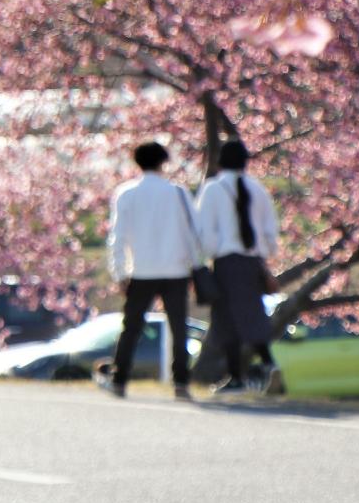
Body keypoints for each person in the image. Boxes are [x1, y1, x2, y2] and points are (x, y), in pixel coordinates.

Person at [102, 140, 200, 400]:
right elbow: (193, 234)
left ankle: (119, 378)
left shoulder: (127, 193)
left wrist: (120, 273)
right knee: (179, 328)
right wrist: (195, 265)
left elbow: (118, 237)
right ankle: (181, 382)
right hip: (175, 270)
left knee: (131, 328)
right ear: (163, 161)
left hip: (142, 270)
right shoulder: (178, 193)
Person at [196, 140, 281, 393]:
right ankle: (267, 363)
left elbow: (205, 232)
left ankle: (237, 377)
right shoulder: (257, 189)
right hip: (253, 262)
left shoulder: (213, 189)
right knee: (252, 314)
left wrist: (205, 255)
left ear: (220, 161)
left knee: (226, 319)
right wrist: (263, 254)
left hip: (226, 262)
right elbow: (269, 232)